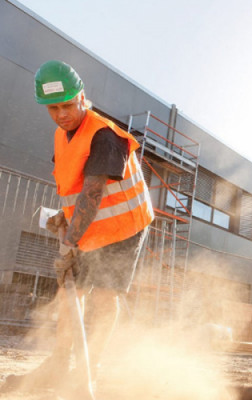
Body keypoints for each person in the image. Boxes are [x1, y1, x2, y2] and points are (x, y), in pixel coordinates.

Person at [2, 60, 154, 395]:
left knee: (103, 295)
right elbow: (75, 188)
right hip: (88, 226)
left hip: (124, 226)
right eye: (52, 108)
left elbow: (95, 191)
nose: (61, 114)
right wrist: (64, 216)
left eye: (67, 105)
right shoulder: (62, 136)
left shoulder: (104, 135)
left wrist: (70, 242)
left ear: (82, 96)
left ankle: (90, 368)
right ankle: (58, 363)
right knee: (70, 292)